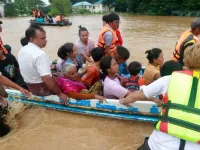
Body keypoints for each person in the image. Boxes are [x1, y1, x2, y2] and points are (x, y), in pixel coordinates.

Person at [120, 43, 200, 150]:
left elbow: (138, 95)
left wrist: (124, 100)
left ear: (186, 61)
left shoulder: (170, 79)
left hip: (159, 145)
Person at [18, 24, 68, 104]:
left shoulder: (22, 50)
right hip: (42, 89)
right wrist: (60, 94)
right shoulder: (40, 54)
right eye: (43, 38)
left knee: (59, 75)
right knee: (67, 80)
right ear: (32, 39)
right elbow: (46, 79)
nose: (46, 40)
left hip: (31, 87)